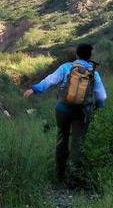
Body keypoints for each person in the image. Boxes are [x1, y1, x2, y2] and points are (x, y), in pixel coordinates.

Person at [24, 43, 107, 186]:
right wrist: (98, 107)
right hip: (82, 112)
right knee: (77, 142)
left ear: (77, 54)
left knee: (62, 137)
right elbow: (101, 97)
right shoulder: (94, 73)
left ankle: (60, 175)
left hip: (62, 109)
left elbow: (50, 80)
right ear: (90, 56)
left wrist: (34, 89)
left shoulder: (66, 67)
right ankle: (75, 178)